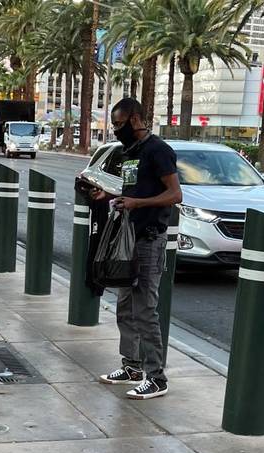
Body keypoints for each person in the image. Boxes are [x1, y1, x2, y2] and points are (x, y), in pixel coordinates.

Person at [89, 97, 182, 400]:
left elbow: (174, 194)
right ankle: (132, 366)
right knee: (125, 307)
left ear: (136, 119)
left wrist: (137, 203)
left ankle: (157, 378)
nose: (116, 130)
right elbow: (133, 190)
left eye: (119, 123)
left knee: (145, 310)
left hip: (149, 239)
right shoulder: (130, 152)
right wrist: (108, 194)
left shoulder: (158, 151)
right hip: (129, 238)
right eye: (114, 124)